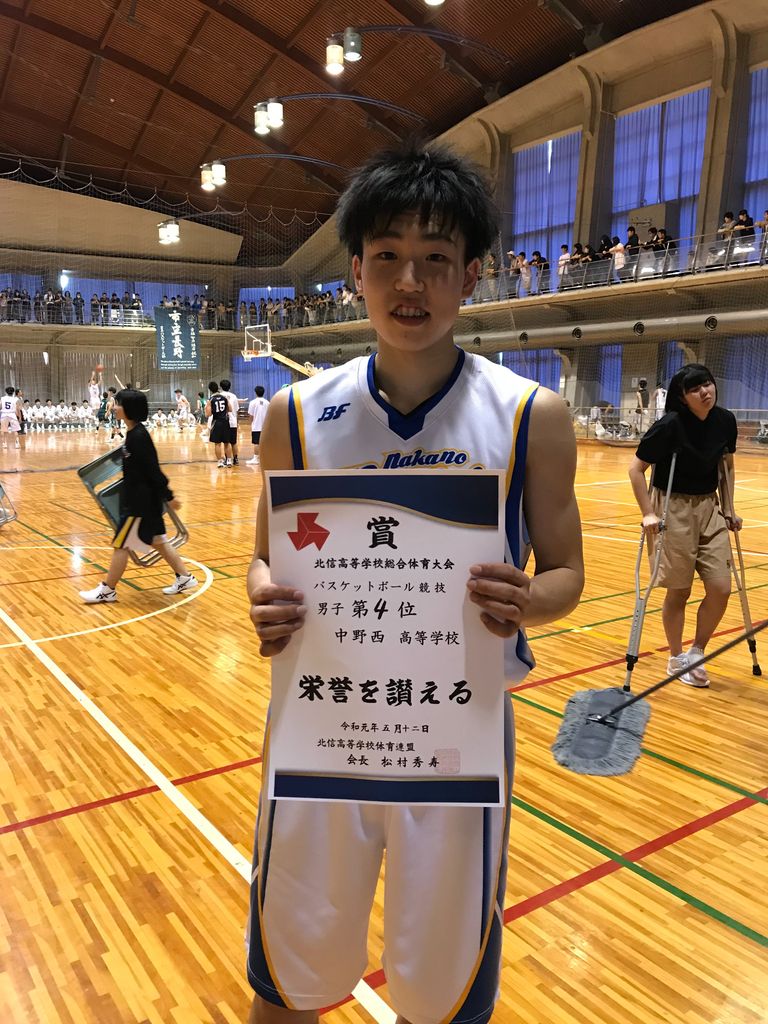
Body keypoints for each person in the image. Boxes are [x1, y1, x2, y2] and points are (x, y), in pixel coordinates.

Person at [244, 142, 584, 1024]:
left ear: (470, 275)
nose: (410, 281)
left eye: (436, 258)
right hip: (321, 730)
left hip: (457, 739)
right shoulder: (294, 415)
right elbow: (263, 558)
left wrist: (528, 600)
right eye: (388, 255)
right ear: (355, 271)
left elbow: (568, 575)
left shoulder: (531, 416)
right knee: (289, 978)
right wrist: (261, 594)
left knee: (443, 995)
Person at [628, 364, 740, 687]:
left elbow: (727, 466)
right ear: (682, 397)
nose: (705, 391)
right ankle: (676, 657)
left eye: (707, 384)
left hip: (709, 506)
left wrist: (729, 507)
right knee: (680, 590)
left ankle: (697, 651)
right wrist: (648, 513)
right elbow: (636, 470)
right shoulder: (669, 426)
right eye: (695, 389)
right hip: (672, 506)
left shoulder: (725, 421)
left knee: (721, 587)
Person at [79, 389, 197, 603]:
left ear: (129, 409)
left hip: (139, 505)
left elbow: (153, 470)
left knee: (121, 545)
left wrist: (169, 496)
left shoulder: (139, 437)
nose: (114, 407)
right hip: (142, 501)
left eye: (118, 404)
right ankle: (185, 577)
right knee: (158, 541)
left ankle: (108, 590)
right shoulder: (133, 434)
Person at [205, 381, 231, 467]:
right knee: (227, 442)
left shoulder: (211, 400)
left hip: (217, 422)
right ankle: (229, 461)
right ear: (218, 388)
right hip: (225, 421)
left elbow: (209, 414)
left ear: (210, 390)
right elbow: (230, 409)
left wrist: (207, 409)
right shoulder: (224, 398)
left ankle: (220, 462)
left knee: (217, 443)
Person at [246, 385, 269, 465]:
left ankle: (256, 459)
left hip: (256, 426)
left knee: (256, 443)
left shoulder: (252, 402)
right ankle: (264, 458)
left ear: (255, 393)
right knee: (264, 443)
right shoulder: (267, 402)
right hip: (265, 427)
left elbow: (251, 415)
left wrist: (251, 423)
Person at [219, 378, 240, 465]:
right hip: (233, 421)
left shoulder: (219, 396)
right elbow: (236, 410)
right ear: (229, 387)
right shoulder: (234, 396)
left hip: (224, 422)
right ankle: (236, 459)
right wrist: (237, 422)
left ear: (221, 387)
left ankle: (228, 459)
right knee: (234, 442)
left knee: (226, 443)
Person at [1, 385, 23, 449]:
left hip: (4, 415)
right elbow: (18, 409)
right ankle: (17, 443)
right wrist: (20, 418)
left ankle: (4, 444)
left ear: (6, 392)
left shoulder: (2, 398)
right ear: (13, 392)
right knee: (15, 430)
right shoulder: (15, 399)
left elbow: (0, 407)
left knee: (4, 430)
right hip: (12, 415)